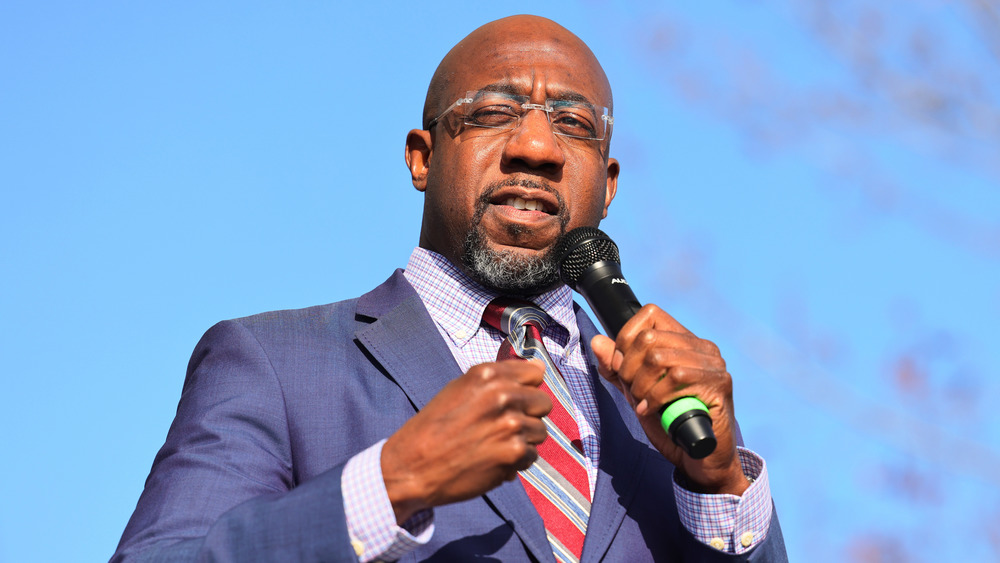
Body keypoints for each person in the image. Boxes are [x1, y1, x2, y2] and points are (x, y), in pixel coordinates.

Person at [113, 14, 787, 562]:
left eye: (574, 125)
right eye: (494, 112)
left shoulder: (664, 409)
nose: (537, 147)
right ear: (422, 156)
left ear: (607, 186)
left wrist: (720, 483)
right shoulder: (274, 362)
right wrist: (392, 482)